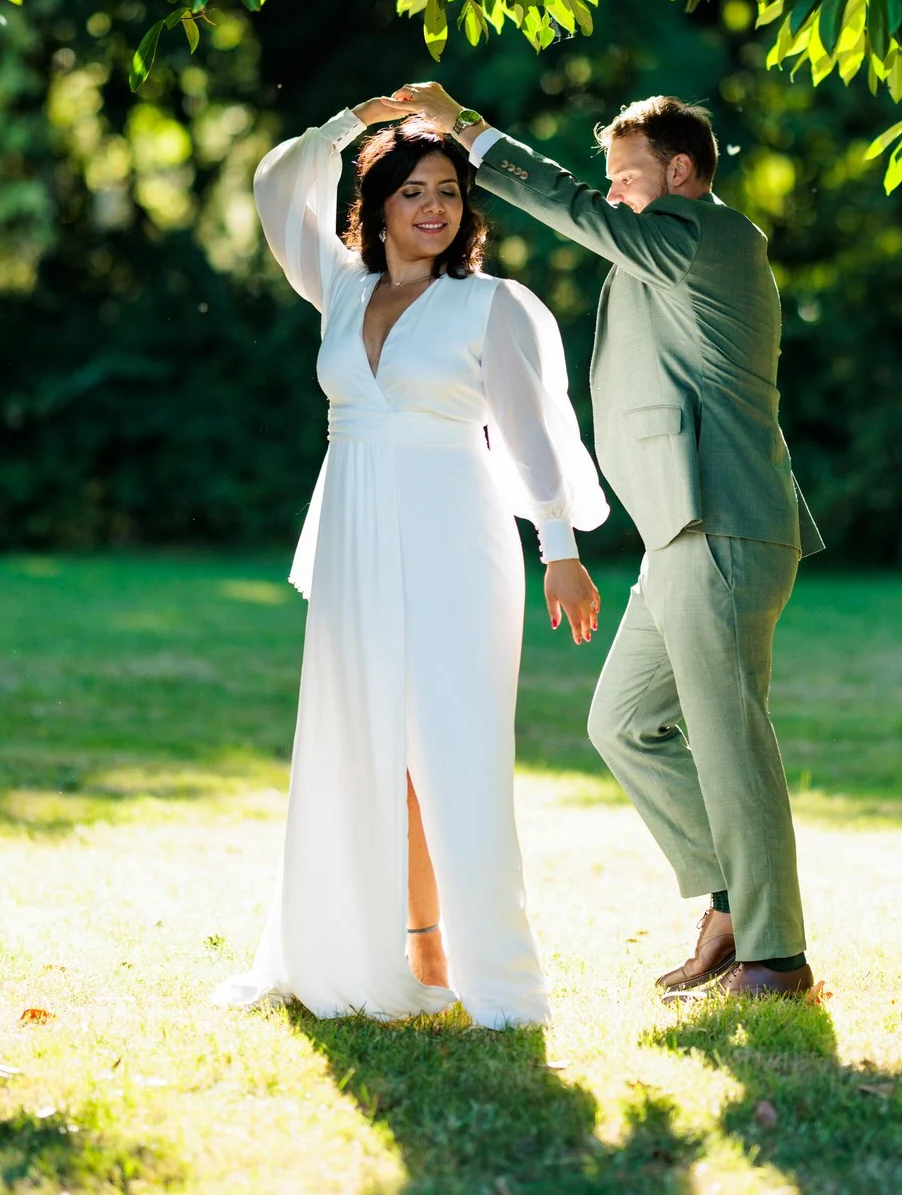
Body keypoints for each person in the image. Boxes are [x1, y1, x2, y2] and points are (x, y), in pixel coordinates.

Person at [400, 83, 825, 999]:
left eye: (628, 176)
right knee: (623, 722)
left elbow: (574, 208)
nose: (615, 192)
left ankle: (777, 959)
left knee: (729, 737)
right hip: (679, 532)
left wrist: (472, 132)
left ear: (682, 171)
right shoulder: (660, 249)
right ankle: (731, 902)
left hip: (723, 521)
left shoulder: (705, 234)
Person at [212, 96, 607, 1030]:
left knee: (456, 750)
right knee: (363, 745)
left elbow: (528, 432)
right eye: (414, 191)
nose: (436, 207)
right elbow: (275, 186)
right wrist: (356, 118)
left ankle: (496, 981)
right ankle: (401, 951)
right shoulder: (340, 286)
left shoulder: (488, 305)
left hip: (455, 534)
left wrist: (559, 549)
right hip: (353, 532)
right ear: (378, 205)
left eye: (450, 192)